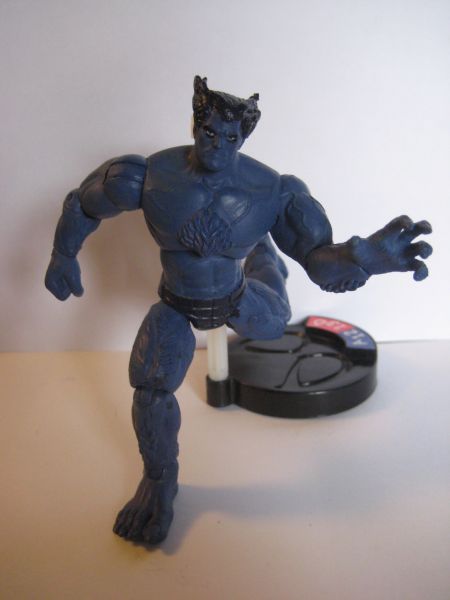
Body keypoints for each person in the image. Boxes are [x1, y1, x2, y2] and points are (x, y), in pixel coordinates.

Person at [45, 75, 432, 544]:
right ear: (195, 125)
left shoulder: (273, 191)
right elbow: (83, 204)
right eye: (210, 132)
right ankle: (159, 481)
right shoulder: (148, 176)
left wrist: (364, 258)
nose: (218, 145)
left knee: (274, 323)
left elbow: (318, 261)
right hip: (175, 302)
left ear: (244, 138)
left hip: (236, 297)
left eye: (230, 137)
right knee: (149, 389)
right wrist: (63, 255)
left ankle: (264, 257)